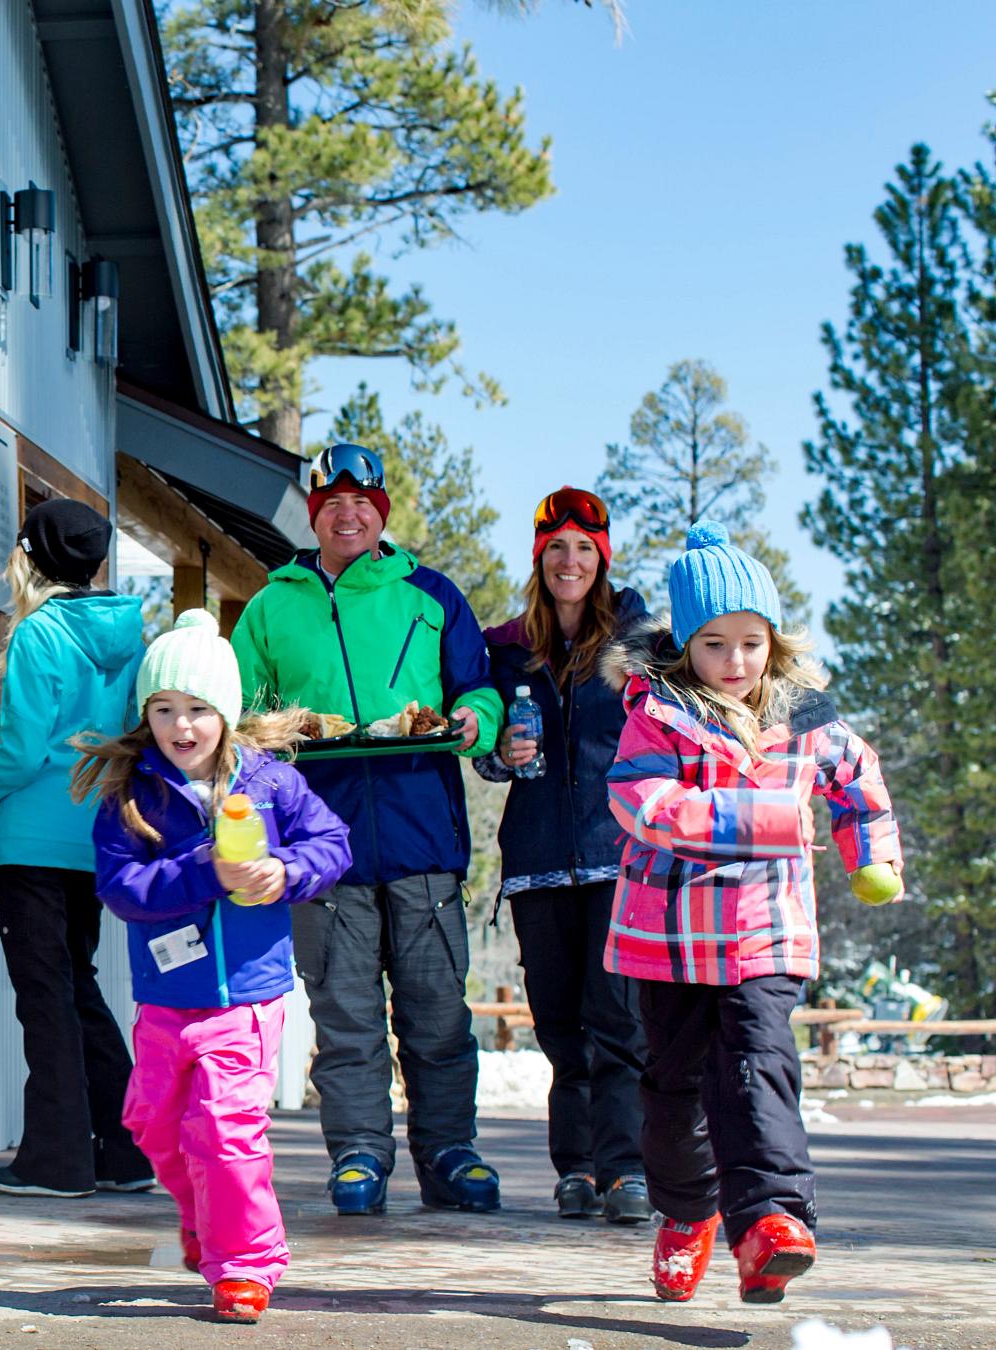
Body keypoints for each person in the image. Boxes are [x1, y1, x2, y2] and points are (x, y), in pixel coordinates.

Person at [602, 521, 904, 1304]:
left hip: (766, 931)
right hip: (670, 939)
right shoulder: (655, 714)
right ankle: (687, 1213)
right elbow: (645, 804)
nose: (734, 662)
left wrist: (871, 854)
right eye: (713, 644)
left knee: (757, 1069)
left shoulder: (807, 718)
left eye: (750, 642)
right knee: (673, 1097)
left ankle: (770, 1224)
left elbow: (859, 781)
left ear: (774, 640)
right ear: (683, 646)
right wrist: (763, 820)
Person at [228, 443, 505, 1216]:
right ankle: (357, 1154)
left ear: (381, 512)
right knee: (345, 1015)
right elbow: (243, 714)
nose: (347, 514)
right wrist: (276, 733)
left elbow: (480, 694)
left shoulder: (431, 594)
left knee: (438, 1013)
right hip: (319, 847)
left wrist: (466, 723)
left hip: (423, 836)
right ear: (314, 515)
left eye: (362, 502)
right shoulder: (271, 606)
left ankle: (451, 1152)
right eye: (332, 503)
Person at [73, 609, 351, 1324]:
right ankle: (208, 1214)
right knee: (154, 1125)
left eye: (198, 709)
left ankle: (245, 1265)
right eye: (164, 709)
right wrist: (206, 869)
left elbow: (333, 843)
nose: (181, 725)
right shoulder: (131, 794)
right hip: (168, 998)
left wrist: (283, 872)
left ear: (225, 712)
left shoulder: (269, 782)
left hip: (248, 998)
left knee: (225, 1126)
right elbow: (121, 889)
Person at [0, 498, 154, 1198]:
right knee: (78, 989)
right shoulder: (129, 636)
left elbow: (22, 750)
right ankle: (122, 1154)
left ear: (31, 557)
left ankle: (56, 1162)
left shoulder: (40, 634)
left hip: (32, 841)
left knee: (46, 998)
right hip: (93, 837)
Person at [477, 487, 653, 1224]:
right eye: (557, 549)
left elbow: (671, 731)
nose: (570, 561)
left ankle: (624, 1171)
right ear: (540, 560)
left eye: (584, 548)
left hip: (617, 854)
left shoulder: (639, 642)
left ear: (602, 559)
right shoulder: (507, 648)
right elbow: (481, 741)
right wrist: (497, 750)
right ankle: (574, 1169)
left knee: (618, 1020)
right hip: (538, 856)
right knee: (558, 1023)